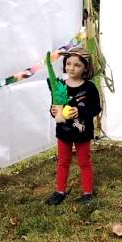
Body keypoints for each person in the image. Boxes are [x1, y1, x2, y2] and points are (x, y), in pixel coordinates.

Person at [46, 47, 101, 205]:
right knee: (63, 162)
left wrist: (80, 111)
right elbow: (55, 108)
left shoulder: (89, 87)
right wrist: (53, 110)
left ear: (85, 67)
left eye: (77, 65)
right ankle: (60, 191)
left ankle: (87, 193)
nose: (71, 67)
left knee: (84, 162)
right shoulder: (59, 85)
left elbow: (96, 108)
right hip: (64, 133)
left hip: (82, 133)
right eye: (68, 63)